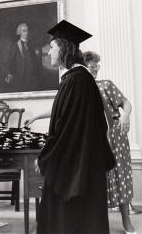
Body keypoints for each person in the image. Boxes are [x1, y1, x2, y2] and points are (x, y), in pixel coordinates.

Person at [34, 20, 115, 234]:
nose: (49, 52)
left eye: (52, 47)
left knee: (71, 220)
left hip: (75, 166)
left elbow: (67, 128)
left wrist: (47, 156)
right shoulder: (77, 79)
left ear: (64, 48)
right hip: (80, 162)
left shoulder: (77, 80)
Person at [83, 50, 136, 234]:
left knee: (121, 174)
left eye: (97, 65)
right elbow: (60, 110)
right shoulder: (79, 89)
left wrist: (126, 117)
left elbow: (126, 104)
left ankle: (126, 221)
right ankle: (96, 222)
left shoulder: (106, 85)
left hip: (114, 136)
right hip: (92, 137)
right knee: (96, 179)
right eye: (91, 65)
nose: (95, 68)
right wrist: (37, 117)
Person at [5, 23, 41, 91]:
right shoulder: (15, 46)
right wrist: (9, 73)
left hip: (32, 77)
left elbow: (35, 60)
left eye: (27, 30)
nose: (26, 33)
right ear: (19, 32)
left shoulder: (32, 44)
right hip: (21, 77)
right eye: (23, 31)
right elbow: (11, 61)